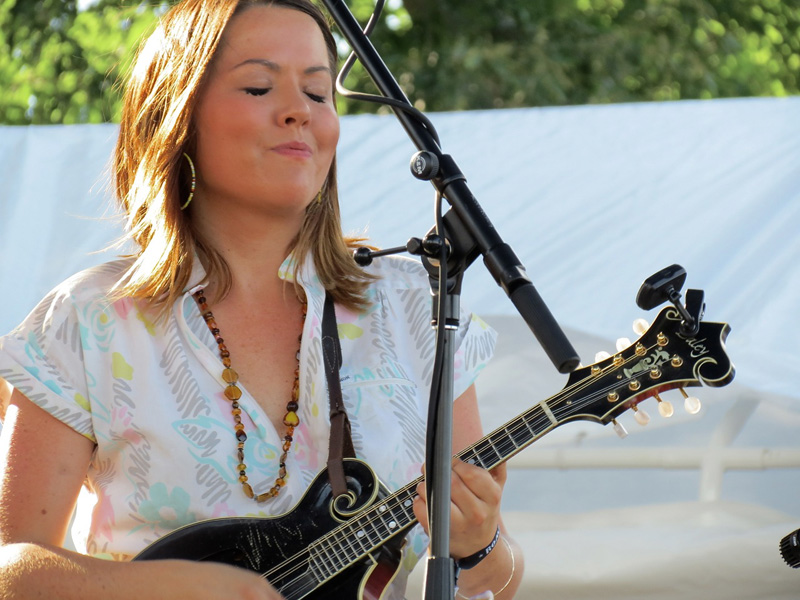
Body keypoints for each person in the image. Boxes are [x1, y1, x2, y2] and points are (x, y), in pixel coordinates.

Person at [0, 1, 524, 598]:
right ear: (176, 115)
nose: (300, 111)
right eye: (258, 86)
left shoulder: (417, 307)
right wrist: (174, 587)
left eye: (319, 93)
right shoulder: (86, 320)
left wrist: (480, 544)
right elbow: (12, 568)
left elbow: (498, 578)